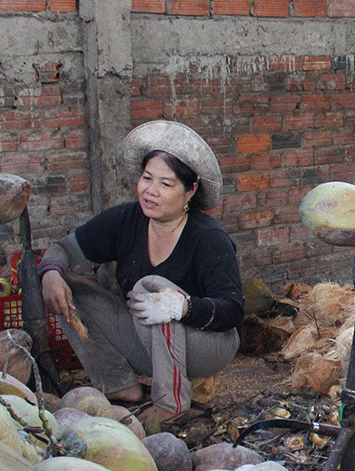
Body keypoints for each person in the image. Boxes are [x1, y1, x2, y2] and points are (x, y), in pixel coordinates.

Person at [39, 120, 244, 427]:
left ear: (190, 192)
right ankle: (120, 384)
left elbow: (233, 311)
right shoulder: (126, 220)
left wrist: (183, 307)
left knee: (152, 286)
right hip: (148, 341)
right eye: (147, 178)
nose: (151, 191)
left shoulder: (207, 238)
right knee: (65, 284)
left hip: (206, 345)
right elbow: (63, 249)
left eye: (166, 184)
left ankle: (170, 402)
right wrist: (51, 274)